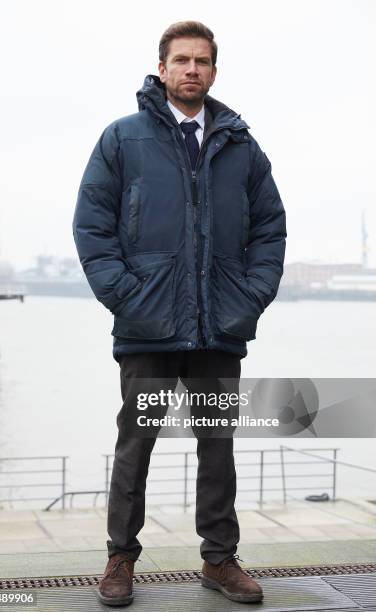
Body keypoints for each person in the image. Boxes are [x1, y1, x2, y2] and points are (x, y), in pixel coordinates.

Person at [73, 20, 286, 607]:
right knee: (135, 443)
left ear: (213, 71)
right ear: (161, 68)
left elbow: (270, 229)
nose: (192, 69)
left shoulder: (241, 147)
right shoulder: (123, 139)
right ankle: (120, 557)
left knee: (217, 445)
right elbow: (92, 227)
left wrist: (249, 297)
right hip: (149, 328)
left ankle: (219, 559)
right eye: (181, 60)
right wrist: (128, 296)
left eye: (202, 61)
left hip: (219, 328)